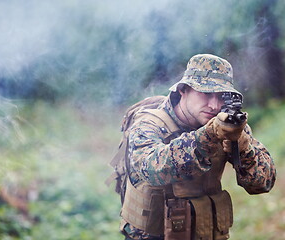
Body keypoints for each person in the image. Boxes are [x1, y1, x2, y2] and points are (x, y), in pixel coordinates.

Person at [118, 54, 276, 240]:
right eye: (206, 94)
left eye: (221, 97)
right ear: (184, 90)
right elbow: (151, 169)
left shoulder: (227, 123)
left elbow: (263, 183)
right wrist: (208, 136)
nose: (214, 105)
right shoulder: (149, 123)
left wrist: (243, 149)